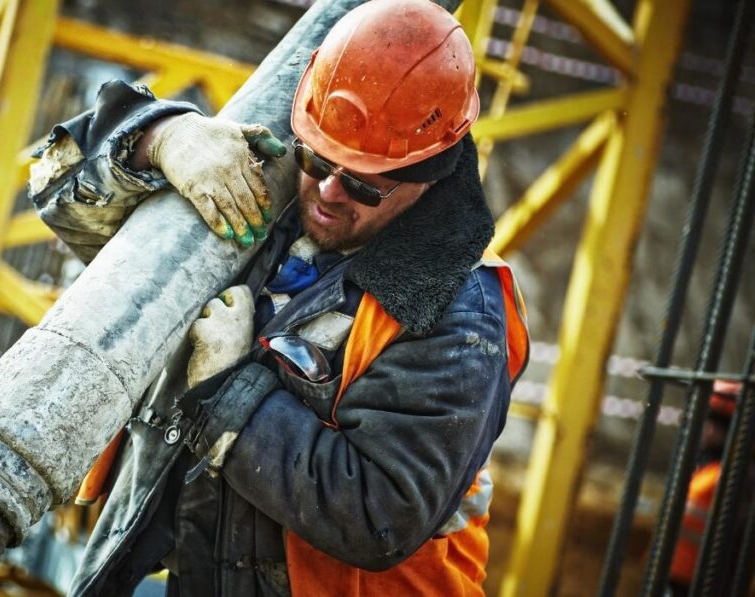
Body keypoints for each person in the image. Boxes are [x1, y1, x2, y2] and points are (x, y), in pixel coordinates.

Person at [30, 0, 529, 594]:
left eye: (363, 185)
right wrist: (160, 139)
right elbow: (56, 187)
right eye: (318, 158)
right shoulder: (266, 178)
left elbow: (379, 514)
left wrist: (226, 389)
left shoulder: (459, 312)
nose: (326, 190)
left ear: (429, 173)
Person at [668, 380, 748, 596]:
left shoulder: (729, 476)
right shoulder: (703, 468)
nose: (705, 430)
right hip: (675, 572)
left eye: (713, 422)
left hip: (702, 582)